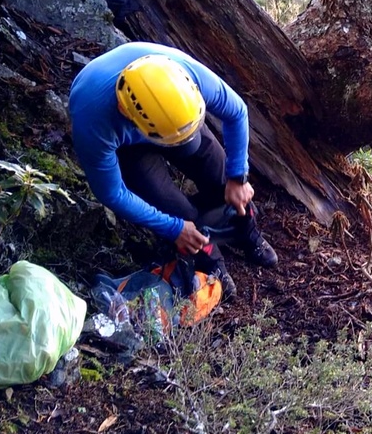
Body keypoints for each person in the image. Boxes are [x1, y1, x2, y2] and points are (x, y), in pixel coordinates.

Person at [68, 41, 278, 299]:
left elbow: (236, 112)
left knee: (218, 169)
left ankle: (246, 232)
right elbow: (111, 193)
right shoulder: (93, 121)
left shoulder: (183, 74)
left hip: (175, 118)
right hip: (131, 145)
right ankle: (210, 262)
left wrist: (238, 176)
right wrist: (173, 228)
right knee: (173, 207)